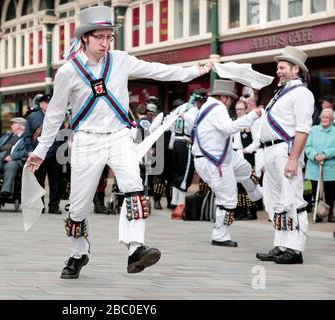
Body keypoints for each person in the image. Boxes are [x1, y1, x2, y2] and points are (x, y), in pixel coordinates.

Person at [25, 5, 212, 279]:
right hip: (87, 140)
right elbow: (53, 115)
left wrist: (194, 70)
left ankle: (135, 248)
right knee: (77, 207)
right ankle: (78, 253)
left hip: (120, 135)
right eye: (100, 36)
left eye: (109, 36)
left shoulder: (121, 60)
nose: (105, 42)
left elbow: (157, 70)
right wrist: (41, 149)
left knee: (134, 187)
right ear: (85, 38)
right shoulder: (68, 72)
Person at [256, 46, 314, 264]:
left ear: (295, 69)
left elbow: (302, 129)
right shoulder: (281, 94)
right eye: (278, 68)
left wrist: (293, 159)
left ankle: (295, 249)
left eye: (282, 68)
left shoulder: (302, 94)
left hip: (285, 151)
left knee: (293, 200)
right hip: (271, 151)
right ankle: (281, 244)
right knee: (278, 202)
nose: (278, 71)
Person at [192, 80, 263, 247]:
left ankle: (257, 194)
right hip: (213, 160)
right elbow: (229, 128)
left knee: (246, 169)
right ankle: (220, 234)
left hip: (222, 154)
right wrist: (253, 115)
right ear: (224, 97)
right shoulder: (217, 108)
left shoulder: (209, 107)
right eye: (231, 99)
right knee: (228, 199)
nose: (231, 102)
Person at [22, 94, 63, 214]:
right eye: (47, 102)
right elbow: (27, 136)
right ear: (41, 104)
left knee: (56, 182)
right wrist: (30, 150)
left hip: (54, 154)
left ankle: (54, 206)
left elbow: (61, 136)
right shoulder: (32, 117)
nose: (49, 105)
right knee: (38, 181)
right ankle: (40, 206)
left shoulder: (57, 117)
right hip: (37, 154)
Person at [170, 89, 207, 219]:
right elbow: (195, 125)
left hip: (176, 143)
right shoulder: (194, 110)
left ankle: (174, 202)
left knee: (177, 172)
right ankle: (180, 204)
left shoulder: (181, 107)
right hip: (186, 142)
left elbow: (170, 121)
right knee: (185, 174)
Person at [305, 108, 335, 223]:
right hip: (314, 166)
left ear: (331, 119)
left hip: (330, 167)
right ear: (320, 118)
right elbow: (307, 147)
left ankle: (330, 212)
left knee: (330, 191)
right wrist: (315, 155)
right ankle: (318, 213)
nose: (325, 119)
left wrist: (325, 154)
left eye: (327, 117)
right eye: (323, 117)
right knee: (315, 190)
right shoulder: (314, 130)